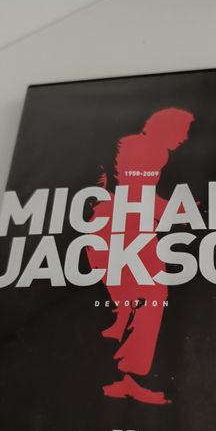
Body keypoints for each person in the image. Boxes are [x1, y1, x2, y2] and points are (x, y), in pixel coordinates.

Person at [86, 107, 194, 404]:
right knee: (142, 301)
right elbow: (134, 194)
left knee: (138, 304)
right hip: (121, 231)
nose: (185, 138)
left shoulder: (145, 148)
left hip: (126, 230)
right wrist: (181, 211)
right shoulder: (143, 148)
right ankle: (121, 379)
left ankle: (125, 380)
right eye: (183, 130)